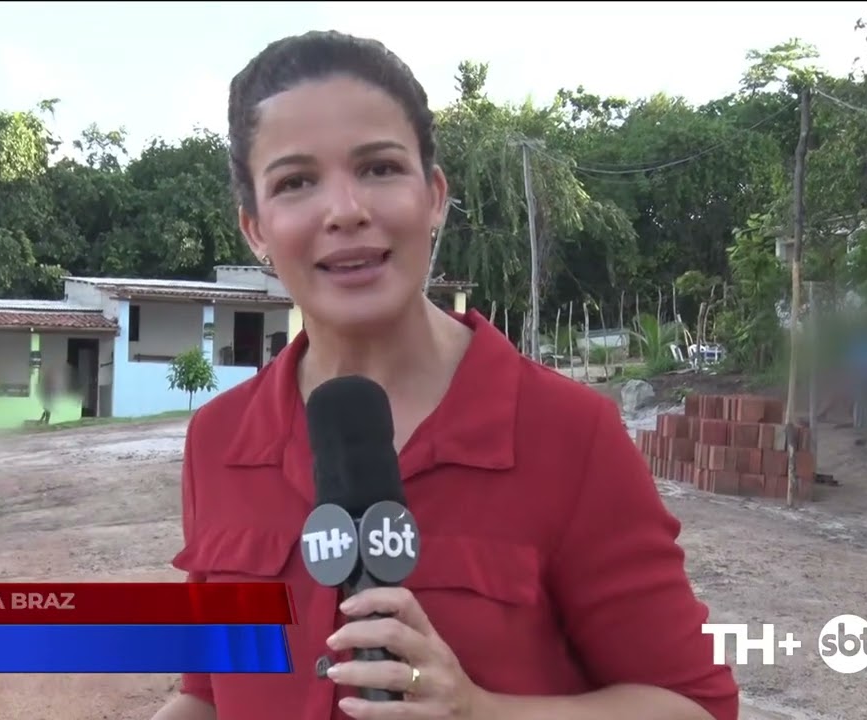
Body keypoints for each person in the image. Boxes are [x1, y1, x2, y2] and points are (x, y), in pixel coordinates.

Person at [153, 31, 737, 720]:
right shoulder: (218, 440)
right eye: (296, 182)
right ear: (255, 227)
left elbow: (692, 707)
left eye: (378, 168)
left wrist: (478, 710)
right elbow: (208, 695)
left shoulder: (567, 434)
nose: (345, 210)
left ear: (433, 196)